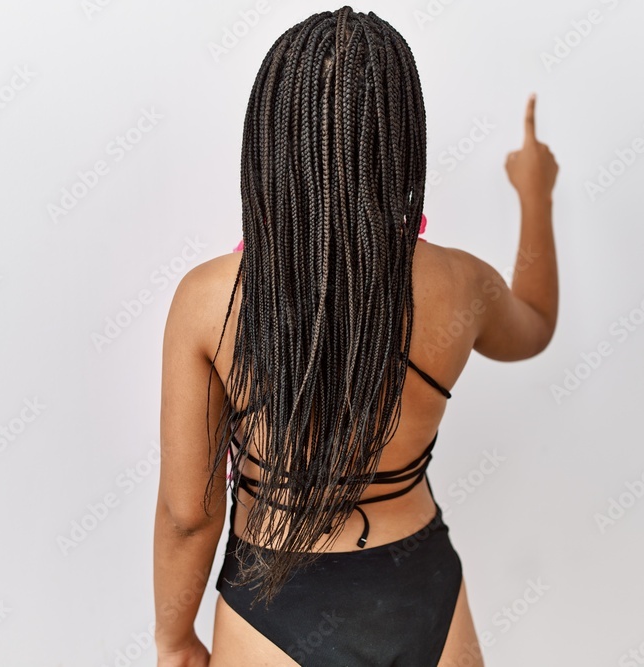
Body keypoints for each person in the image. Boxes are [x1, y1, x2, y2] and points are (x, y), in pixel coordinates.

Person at [153, 7, 558, 666]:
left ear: (270, 140)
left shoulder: (210, 301)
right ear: (402, 140)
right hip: (424, 591)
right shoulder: (460, 283)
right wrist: (535, 195)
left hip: (273, 612)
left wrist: (174, 639)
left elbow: (186, 513)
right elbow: (535, 326)